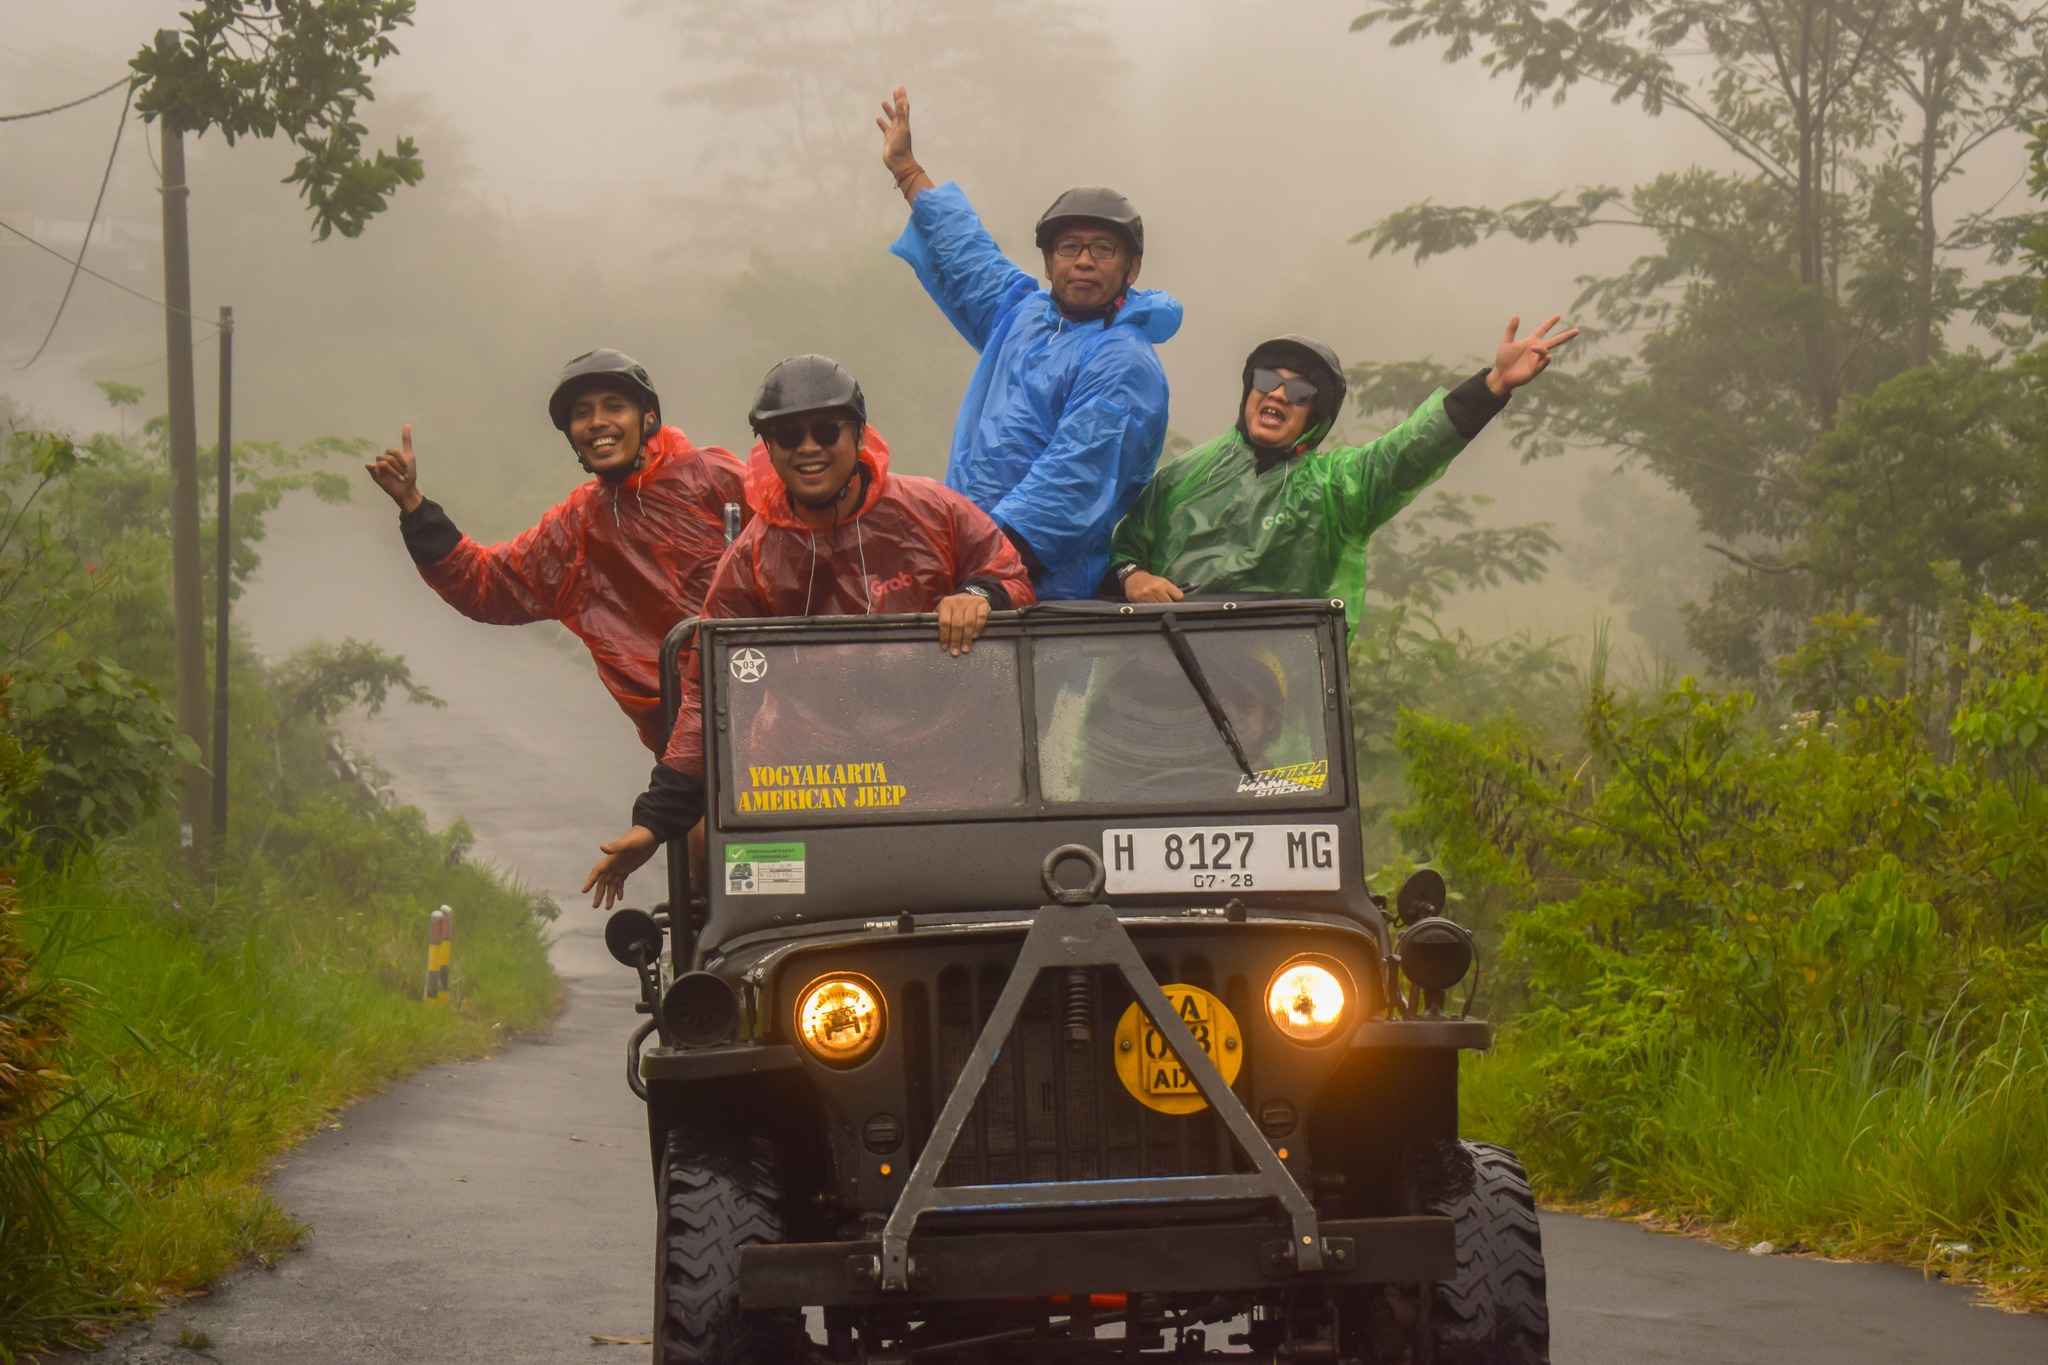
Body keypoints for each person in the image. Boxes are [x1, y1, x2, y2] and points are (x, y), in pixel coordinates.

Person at [583, 355, 1036, 908]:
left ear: (859, 434)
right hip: (808, 783)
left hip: (946, 773)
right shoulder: (752, 557)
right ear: (768, 448)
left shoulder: (931, 509)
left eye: (825, 430)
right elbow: (709, 696)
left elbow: (1007, 572)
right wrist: (653, 822)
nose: (808, 448)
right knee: (729, 893)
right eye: (787, 435)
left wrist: (978, 595)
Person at [876, 85, 1179, 601]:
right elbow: (966, 255)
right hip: (975, 567)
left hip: (1046, 594)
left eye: (1103, 249)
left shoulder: (1123, 361)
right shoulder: (1025, 316)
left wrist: (984, 575)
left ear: (1132, 269)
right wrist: (907, 169)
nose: (1084, 261)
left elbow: (1071, 486)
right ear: (1048, 261)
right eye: (1069, 247)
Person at [365, 349, 749, 753]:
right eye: (582, 414)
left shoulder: (713, 479)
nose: (597, 422)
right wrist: (413, 504)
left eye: (614, 407)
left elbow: (787, 544)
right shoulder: (577, 528)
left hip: (769, 703)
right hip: (685, 752)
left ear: (648, 418)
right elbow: (485, 583)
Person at [1105, 320, 1578, 633]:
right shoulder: (1184, 475)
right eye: (1267, 381)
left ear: (1316, 413)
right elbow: (1121, 546)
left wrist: (1492, 386)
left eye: (1300, 391)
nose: (1278, 395)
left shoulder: (1336, 489)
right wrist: (1131, 575)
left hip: (1266, 684)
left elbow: (1410, 450)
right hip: (1165, 664)